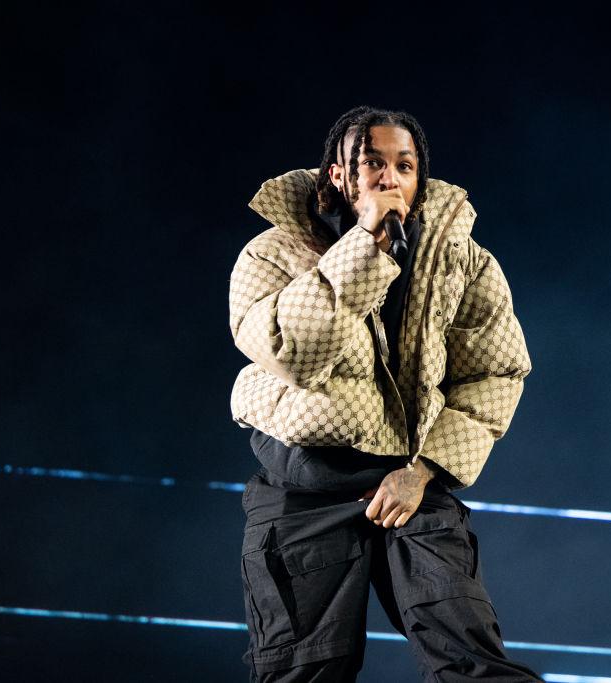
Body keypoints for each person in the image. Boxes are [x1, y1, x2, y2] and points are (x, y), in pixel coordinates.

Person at [228, 105, 540, 682]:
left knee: (473, 664)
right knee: (304, 673)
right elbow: (293, 352)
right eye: (372, 163)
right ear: (337, 176)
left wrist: (423, 471)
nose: (389, 177)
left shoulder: (463, 263)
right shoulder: (270, 256)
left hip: (410, 485)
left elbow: (495, 374)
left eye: (405, 165)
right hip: (303, 492)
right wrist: (365, 246)